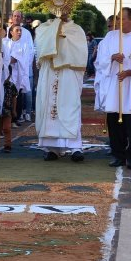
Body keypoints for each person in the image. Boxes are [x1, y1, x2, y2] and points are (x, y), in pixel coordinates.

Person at [94, 8, 131, 169]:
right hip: (113, 84)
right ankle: (117, 154)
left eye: (122, 19)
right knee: (114, 122)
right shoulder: (110, 37)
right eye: (118, 18)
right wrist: (112, 57)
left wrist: (130, 72)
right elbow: (100, 60)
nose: (118, 21)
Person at [34, 11, 87, 162]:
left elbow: (81, 53)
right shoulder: (44, 28)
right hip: (50, 72)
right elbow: (41, 48)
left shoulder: (76, 30)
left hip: (68, 73)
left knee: (70, 107)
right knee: (49, 110)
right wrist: (55, 28)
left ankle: (75, 147)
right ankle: (52, 148)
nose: (62, 12)